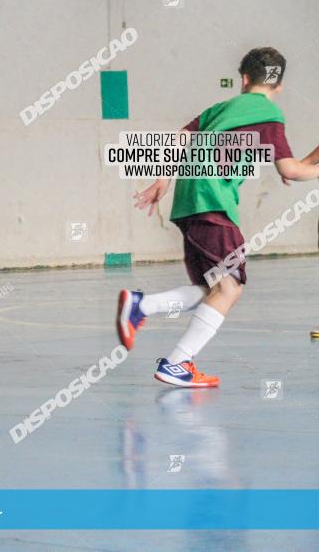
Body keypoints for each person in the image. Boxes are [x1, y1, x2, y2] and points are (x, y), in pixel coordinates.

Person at [117, 47, 319, 387]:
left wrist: (162, 181)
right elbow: (291, 170)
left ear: (244, 78)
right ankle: (176, 362)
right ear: (279, 85)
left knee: (211, 287)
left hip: (188, 200)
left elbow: (180, 139)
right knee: (230, 287)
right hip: (213, 202)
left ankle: (142, 306)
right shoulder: (270, 115)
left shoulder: (221, 109)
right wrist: (302, 170)